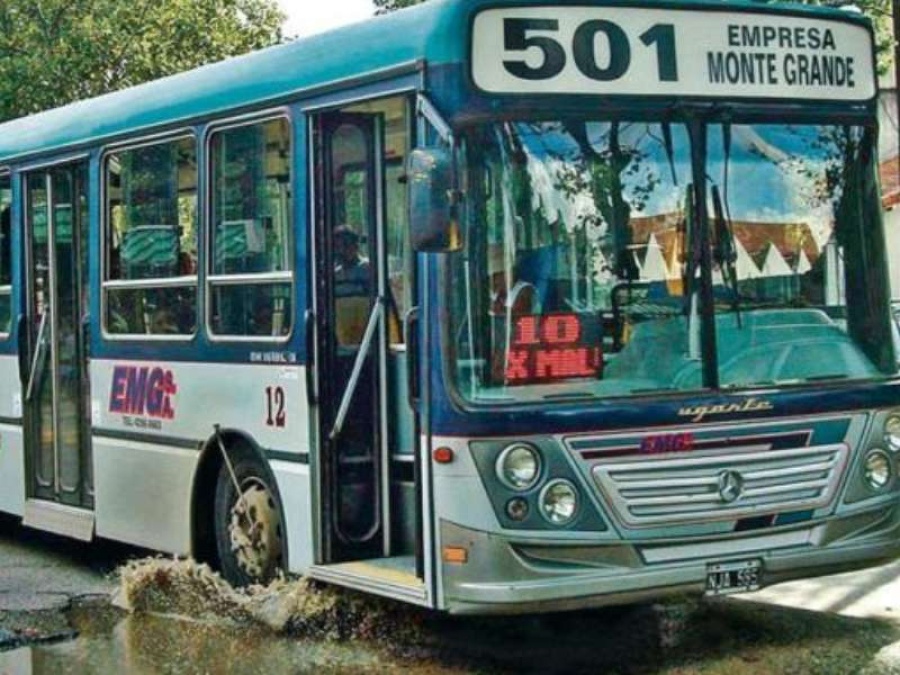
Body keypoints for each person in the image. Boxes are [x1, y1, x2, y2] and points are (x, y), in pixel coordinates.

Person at [333, 225, 371, 345]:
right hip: (342, 343)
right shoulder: (334, 275)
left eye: (346, 245)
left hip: (367, 340)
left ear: (355, 246)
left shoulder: (368, 269)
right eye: (338, 247)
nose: (342, 251)